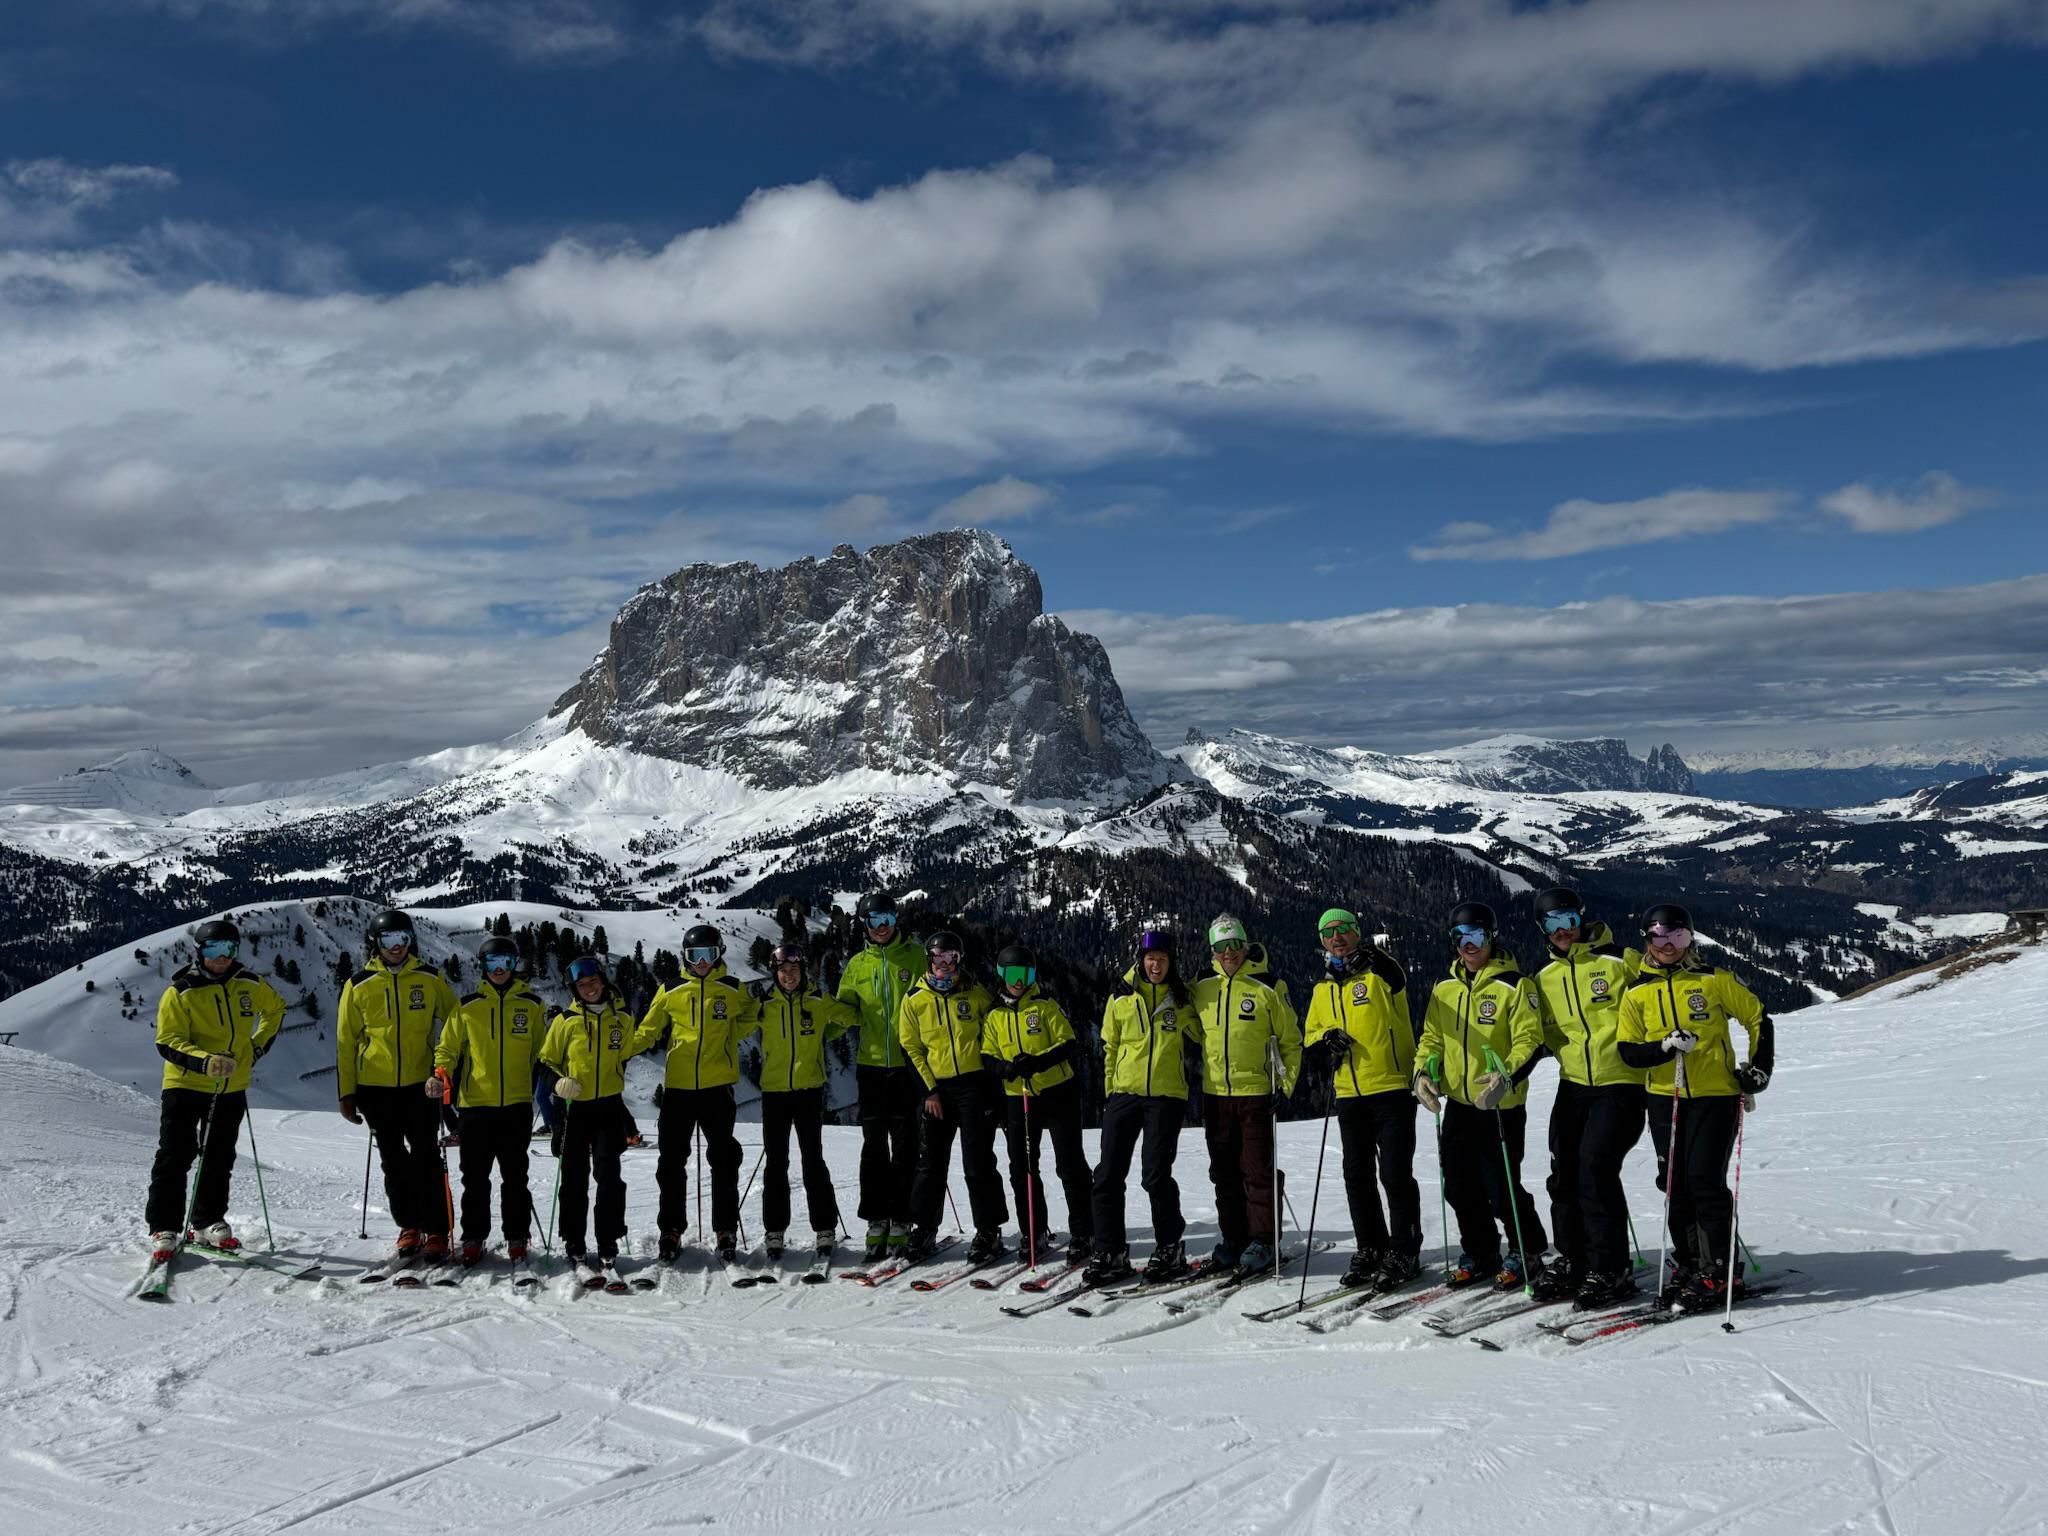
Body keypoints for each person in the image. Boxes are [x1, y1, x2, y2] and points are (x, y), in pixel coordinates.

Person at [1616, 902, 1773, 1313]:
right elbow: (1629, 1053)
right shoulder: (1636, 993)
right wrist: (1664, 1047)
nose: (1669, 945)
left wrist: (1758, 1069)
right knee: (1675, 1185)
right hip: (1663, 1098)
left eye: (1679, 936)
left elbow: (1758, 1017)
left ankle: (1720, 1270)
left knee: (1704, 1179)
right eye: (1660, 937)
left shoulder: (1713, 981)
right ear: (1647, 940)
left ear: (1690, 939)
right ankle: (1690, 1264)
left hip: (1715, 1097)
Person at [1415, 901, 1549, 1288]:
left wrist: (1505, 1077)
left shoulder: (1515, 986)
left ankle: (1528, 1251)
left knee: (1502, 1188)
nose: (1467, 945)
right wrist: (1424, 1071)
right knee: (1457, 1186)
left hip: (1500, 1106)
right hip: (1459, 1103)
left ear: (1491, 937)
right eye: (1459, 936)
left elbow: (1530, 1039)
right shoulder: (1444, 988)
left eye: (1475, 935)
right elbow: (1431, 1038)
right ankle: (1480, 1251)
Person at [1525, 887, 1646, 1308]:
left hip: (1622, 1084)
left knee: (1595, 1167)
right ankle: (1574, 1258)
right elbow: (1546, 1032)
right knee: (1564, 1171)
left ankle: (1611, 1267)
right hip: (1574, 1084)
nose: (1563, 931)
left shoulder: (1620, 961)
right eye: (1552, 924)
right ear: (1543, 929)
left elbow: (1660, 996)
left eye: (1568, 921)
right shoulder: (1545, 978)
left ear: (1581, 918)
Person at [144, 918, 285, 1258]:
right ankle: (165, 1226)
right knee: (175, 1155)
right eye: (213, 949)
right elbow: (168, 1041)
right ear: (200, 951)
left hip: (230, 1087)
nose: (222, 957)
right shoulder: (181, 991)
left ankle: (208, 1220)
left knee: (220, 1157)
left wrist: (256, 1047)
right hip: (185, 1084)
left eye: (229, 949)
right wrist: (204, 1061)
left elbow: (275, 1010)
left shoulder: (250, 984)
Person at [1299, 907, 1421, 1291]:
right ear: (1322, 940)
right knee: (1357, 1176)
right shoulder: (1322, 989)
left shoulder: (1380, 975)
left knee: (1395, 1175)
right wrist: (1325, 1039)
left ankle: (1405, 1249)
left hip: (1390, 1089)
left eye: (1344, 930)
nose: (1337, 937)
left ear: (1357, 933)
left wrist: (1379, 959)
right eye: (1329, 932)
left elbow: (1398, 980)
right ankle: (1371, 1246)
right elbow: (1310, 1035)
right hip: (1349, 1094)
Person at [337, 908, 460, 1261]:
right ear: (375, 943)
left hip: (422, 1087)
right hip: (374, 1088)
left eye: (403, 938)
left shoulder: (429, 978)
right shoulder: (358, 984)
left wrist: (443, 1069)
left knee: (427, 1157)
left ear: (411, 941)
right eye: (388, 939)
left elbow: (454, 1022)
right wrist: (346, 1093)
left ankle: (437, 1228)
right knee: (392, 1159)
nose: (396, 946)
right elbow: (346, 1041)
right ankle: (409, 1225)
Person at [635, 923, 759, 1262]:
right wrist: (616, 1054)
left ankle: (725, 1228)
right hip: (679, 1089)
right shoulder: (671, 989)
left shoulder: (733, 988)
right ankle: (671, 1230)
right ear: (685, 957)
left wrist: (734, 1033)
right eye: (694, 956)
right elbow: (647, 1031)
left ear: (719, 953)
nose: (702, 962)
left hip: (718, 1088)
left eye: (708, 955)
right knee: (671, 1162)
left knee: (724, 1160)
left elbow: (751, 1016)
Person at [1085, 922, 1201, 1285]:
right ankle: (1110, 1251)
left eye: (1163, 959)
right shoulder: (1121, 998)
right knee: (1106, 1175)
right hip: (1124, 1093)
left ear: (1171, 963)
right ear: (1141, 959)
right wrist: (1111, 1089)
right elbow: (1110, 1045)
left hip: (1166, 1097)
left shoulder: (1181, 999)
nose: (1156, 965)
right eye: (1151, 958)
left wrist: (1193, 1000)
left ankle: (1169, 1246)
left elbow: (1204, 1033)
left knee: (1155, 1175)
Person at [1190, 919, 1302, 1274]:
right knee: (1223, 1172)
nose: (1229, 953)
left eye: (1235, 944)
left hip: (1256, 1092)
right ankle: (1233, 1237)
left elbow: (1290, 1040)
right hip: (1215, 1094)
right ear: (1212, 951)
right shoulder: (1201, 986)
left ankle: (1263, 1240)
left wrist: (1284, 1086)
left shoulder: (1268, 985)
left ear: (1245, 943)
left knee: (1257, 1170)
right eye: (1221, 947)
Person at [431, 935, 543, 1267]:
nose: (499, 969)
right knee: (474, 1177)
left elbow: (542, 1052)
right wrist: (441, 1073)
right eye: (492, 963)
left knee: (515, 1176)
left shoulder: (533, 1007)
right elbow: (448, 1048)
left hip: (516, 1105)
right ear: (483, 966)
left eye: (505, 962)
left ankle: (517, 1236)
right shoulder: (467, 1007)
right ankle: (473, 1236)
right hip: (475, 1105)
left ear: (514, 964)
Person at [981, 942, 1094, 1268]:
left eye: (1026, 974)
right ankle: (1034, 1231)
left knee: (1069, 1164)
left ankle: (1084, 1231)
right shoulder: (994, 1015)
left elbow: (1067, 1043)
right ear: (1002, 975)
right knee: (1023, 1168)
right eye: (1014, 974)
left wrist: (1037, 1062)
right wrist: (1006, 1069)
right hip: (1019, 1097)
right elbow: (987, 1056)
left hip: (1058, 1092)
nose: (1020, 980)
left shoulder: (1044, 1006)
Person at [899, 928, 1008, 1262]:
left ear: (960, 959)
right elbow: (911, 1048)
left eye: (951, 957)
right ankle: (924, 1228)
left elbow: (994, 1041)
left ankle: (988, 1230)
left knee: (977, 1163)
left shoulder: (977, 995)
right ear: (929, 960)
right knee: (930, 1163)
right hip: (937, 1090)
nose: (944, 964)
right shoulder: (914, 999)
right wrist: (929, 1090)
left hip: (974, 1086)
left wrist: (994, 1091)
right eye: (938, 957)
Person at [538, 954, 653, 1270]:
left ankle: (608, 1240)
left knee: (610, 1177)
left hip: (607, 1108)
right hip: (574, 1108)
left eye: (593, 982)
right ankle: (574, 1241)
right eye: (582, 985)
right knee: (574, 1178)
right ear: (575, 990)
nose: (589, 988)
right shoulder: (565, 1022)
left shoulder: (623, 1018)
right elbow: (545, 1062)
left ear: (604, 981)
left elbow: (624, 1054)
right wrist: (558, 1082)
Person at [744, 942, 857, 1259]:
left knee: (812, 1161)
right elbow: (734, 1027)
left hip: (809, 1091)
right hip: (774, 1093)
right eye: (783, 970)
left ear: (802, 970)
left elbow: (847, 1016)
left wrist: (868, 1011)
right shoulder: (763, 1004)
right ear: (774, 973)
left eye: (794, 969)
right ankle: (774, 1231)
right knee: (776, 1164)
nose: (789, 975)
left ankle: (824, 1227)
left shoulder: (818, 1000)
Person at [836, 892, 926, 1260]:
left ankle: (902, 1219)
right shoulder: (857, 964)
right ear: (865, 926)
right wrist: (822, 1016)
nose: (882, 926)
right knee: (873, 1146)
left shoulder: (917, 957)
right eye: (874, 920)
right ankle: (877, 1219)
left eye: (887, 917)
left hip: (907, 1066)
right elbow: (846, 1009)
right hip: (871, 1066)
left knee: (905, 1146)